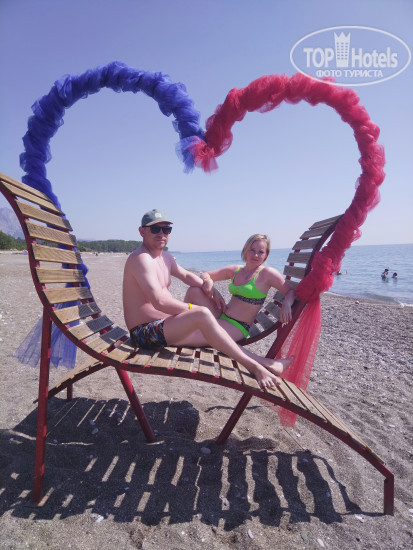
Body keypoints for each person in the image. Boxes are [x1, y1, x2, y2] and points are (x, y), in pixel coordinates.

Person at [123, 209, 293, 389]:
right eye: (155, 229)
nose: (161, 234)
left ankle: (264, 362)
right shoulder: (141, 259)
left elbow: (187, 276)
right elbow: (160, 302)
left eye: (166, 229)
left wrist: (212, 290)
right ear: (142, 231)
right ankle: (256, 366)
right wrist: (195, 310)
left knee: (196, 291)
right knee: (202, 314)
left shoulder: (165, 258)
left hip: (163, 324)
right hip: (144, 333)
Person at [184, 234, 295, 343]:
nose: (256, 255)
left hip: (237, 326)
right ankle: (179, 319)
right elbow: (205, 274)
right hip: (221, 314)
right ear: (245, 250)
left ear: (266, 255)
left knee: (185, 336)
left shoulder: (268, 274)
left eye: (261, 252)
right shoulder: (235, 270)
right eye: (252, 250)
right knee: (194, 291)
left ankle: (179, 324)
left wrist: (287, 304)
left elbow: (290, 292)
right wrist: (210, 283)